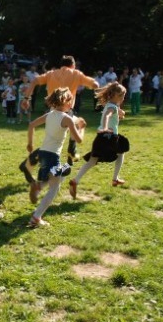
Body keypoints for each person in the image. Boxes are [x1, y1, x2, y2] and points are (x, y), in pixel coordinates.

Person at [21, 55, 98, 166]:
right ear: (73, 65)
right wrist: (95, 88)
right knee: (78, 125)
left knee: (52, 139)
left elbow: (34, 81)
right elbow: (95, 84)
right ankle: (71, 150)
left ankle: (70, 151)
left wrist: (26, 98)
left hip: (52, 111)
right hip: (66, 110)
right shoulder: (76, 74)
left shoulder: (51, 74)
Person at [26, 87, 86, 227]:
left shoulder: (49, 115)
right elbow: (78, 140)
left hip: (43, 153)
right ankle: (36, 217)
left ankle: (39, 186)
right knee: (55, 188)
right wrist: (81, 128)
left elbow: (31, 125)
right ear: (65, 101)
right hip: (53, 156)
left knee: (64, 170)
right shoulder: (67, 119)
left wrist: (30, 144)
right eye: (70, 102)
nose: (71, 105)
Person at [69, 82, 129, 199]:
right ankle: (115, 179)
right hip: (109, 137)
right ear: (113, 95)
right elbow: (107, 115)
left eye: (123, 96)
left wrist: (120, 114)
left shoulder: (111, 105)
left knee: (92, 161)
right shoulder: (111, 107)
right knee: (121, 151)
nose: (122, 98)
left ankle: (75, 181)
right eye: (120, 96)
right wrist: (106, 127)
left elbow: (116, 113)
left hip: (100, 137)